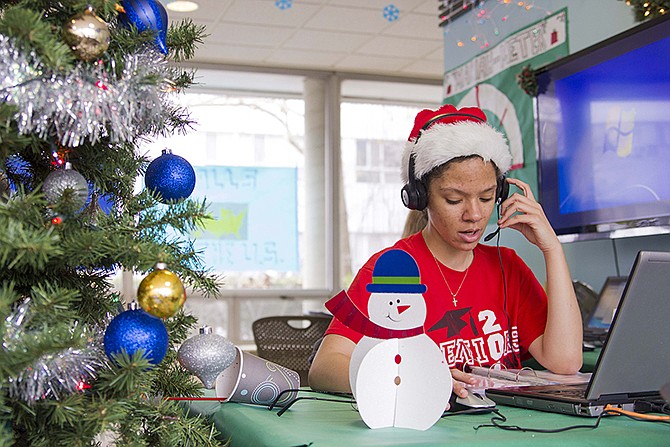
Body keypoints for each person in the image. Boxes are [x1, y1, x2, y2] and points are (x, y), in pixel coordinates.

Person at [308, 104, 583, 399]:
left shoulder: (508, 267)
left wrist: (551, 248)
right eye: (454, 200)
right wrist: (404, 380)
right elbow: (324, 368)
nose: (474, 214)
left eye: (487, 197)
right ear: (420, 197)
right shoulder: (393, 268)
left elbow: (565, 362)